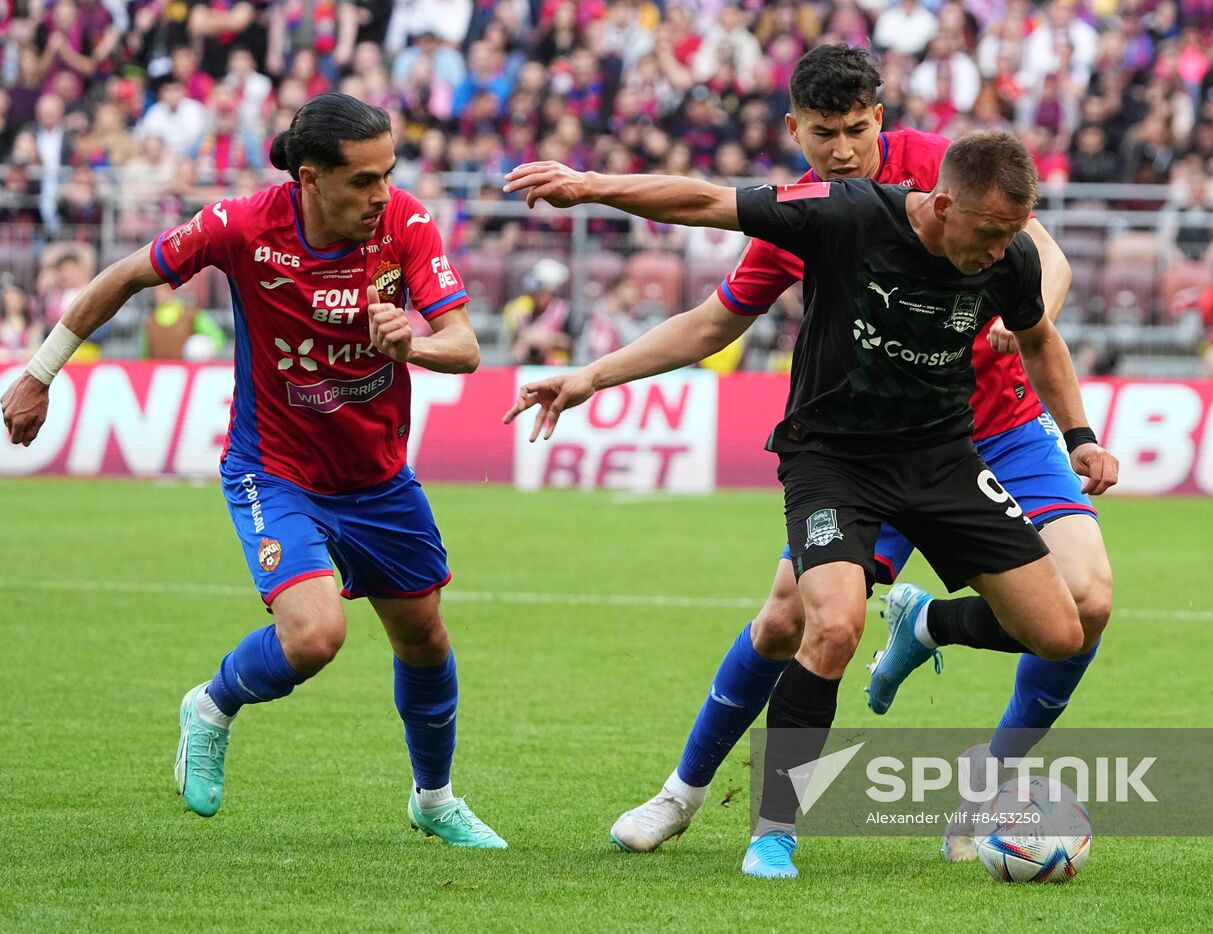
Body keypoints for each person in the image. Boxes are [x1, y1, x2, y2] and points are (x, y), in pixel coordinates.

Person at [503, 129, 1119, 880]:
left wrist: (1081, 435)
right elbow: (706, 201)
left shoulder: (1006, 251)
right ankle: (771, 832)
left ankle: (925, 623)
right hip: (837, 463)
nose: (997, 252)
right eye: (988, 235)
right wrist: (592, 184)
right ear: (944, 204)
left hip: (944, 461)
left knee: (1061, 630)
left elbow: (1040, 338)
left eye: (1008, 237)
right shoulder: (845, 214)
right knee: (828, 624)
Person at [0, 92, 506, 849]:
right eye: (364, 180)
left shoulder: (406, 224)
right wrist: (41, 373)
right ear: (311, 177)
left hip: (377, 476)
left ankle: (433, 800)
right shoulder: (241, 226)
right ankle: (211, 705)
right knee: (313, 636)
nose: (382, 194)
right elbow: (124, 276)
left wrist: (413, 346)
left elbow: (464, 346)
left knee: (425, 640)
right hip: (276, 470)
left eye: (387, 175)